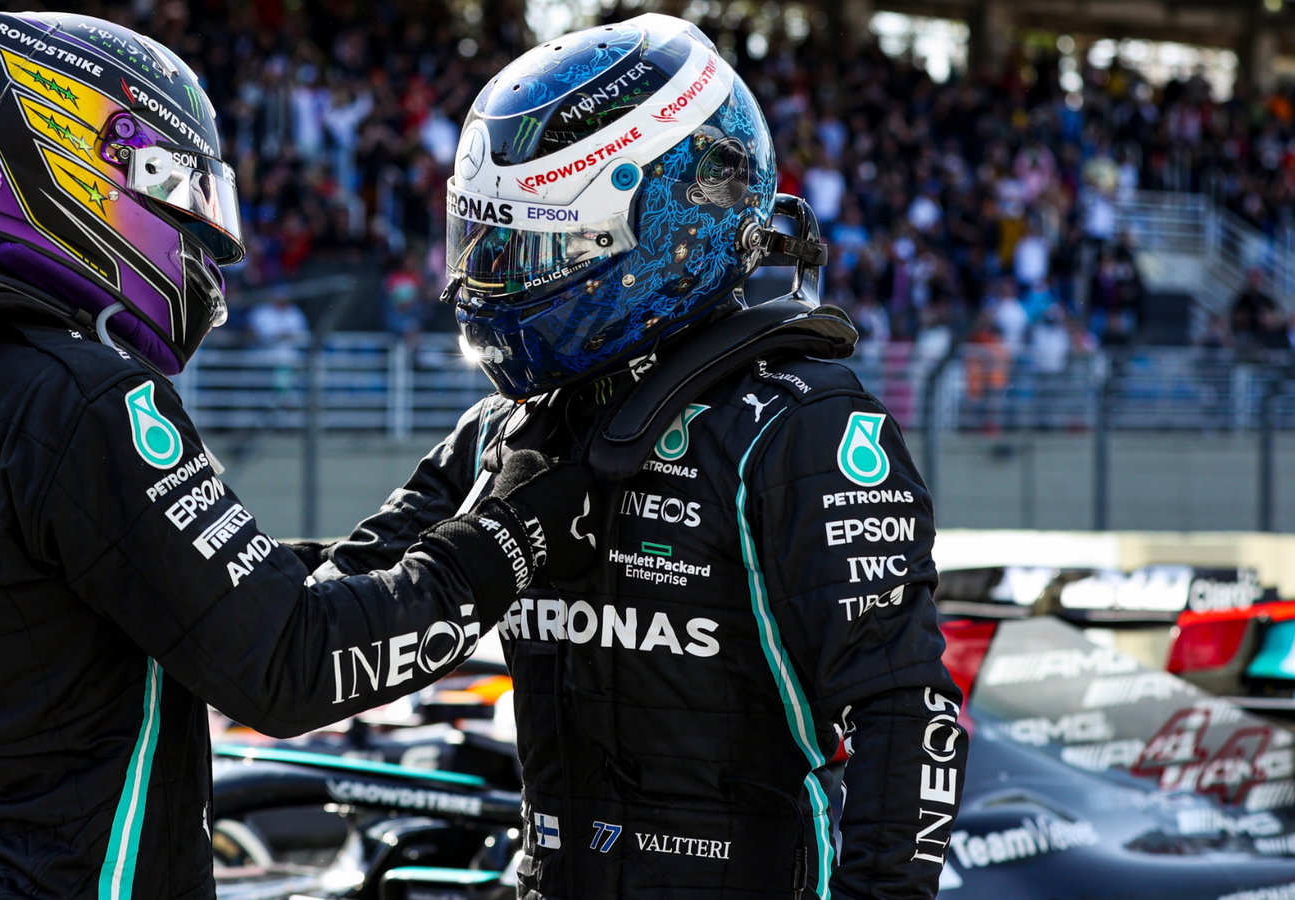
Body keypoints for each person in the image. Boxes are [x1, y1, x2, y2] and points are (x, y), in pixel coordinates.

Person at [0, 11, 600, 899]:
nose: (196, 241)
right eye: (173, 190)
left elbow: (214, 608)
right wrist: (515, 532)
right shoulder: (81, 397)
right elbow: (287, 667)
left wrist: (455, 478)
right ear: (73, 162)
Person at [297, 14, 967, 899]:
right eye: (490, 244)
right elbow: (330, 615)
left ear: (663, 225)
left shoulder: (800, 427)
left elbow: (905, 715)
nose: (494, 279)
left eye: (538, 243)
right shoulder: (509, 427)